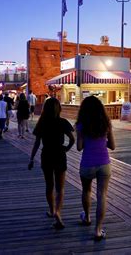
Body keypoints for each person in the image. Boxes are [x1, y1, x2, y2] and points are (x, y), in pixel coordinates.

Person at [28, 98, 75, 230]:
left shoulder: (42, 123)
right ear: (58, 109)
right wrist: (67, 148)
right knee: (60, 188)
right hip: (60, 154)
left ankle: (52, 210)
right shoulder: (63, 122)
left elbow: (37, 143)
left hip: (46, 155)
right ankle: (58, 212)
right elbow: (72, 139)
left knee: (49, 186)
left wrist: (31, 159)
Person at [76, 96, 115, 241]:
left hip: (87, 163)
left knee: (86, 190)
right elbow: (113, 146)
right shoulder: (106, 123)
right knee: (102, 195)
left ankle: (87, 217)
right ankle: (98, 230)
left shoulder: (81, 125)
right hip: (104, 163)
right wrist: (101, 143)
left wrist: (88, 143)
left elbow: (79, 147)